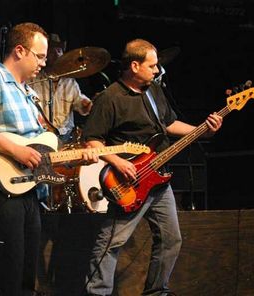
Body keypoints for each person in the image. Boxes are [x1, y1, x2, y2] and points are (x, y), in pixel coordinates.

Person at [0, 22, 96, 295]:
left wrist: (78, 157)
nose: (44, 63)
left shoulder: (29, 94)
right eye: (40, 56)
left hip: (29, 190)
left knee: (25, 278)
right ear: (20, 51)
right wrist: (15, 150)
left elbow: (44, 150)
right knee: (6, 276)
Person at [82, 39, 223, 296]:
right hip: (129, 181)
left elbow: (168, 125)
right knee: (112, 242)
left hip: (158, 180)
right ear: (134, 66)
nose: (157, 70)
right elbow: (93, 139)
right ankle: (97, 293)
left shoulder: (153, 91)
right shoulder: (110, 98)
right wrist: (118, 161)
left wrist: (203, 131)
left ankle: (157, 292)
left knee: (171, 240)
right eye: (152, 66)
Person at [30, 33, 93, 143]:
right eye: (51, 51)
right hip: (40, 136)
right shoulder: (32, 79)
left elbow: (79, 103)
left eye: (59, 50)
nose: (56, 54)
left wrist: (86, 104)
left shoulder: (70, 81)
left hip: (66, 136)